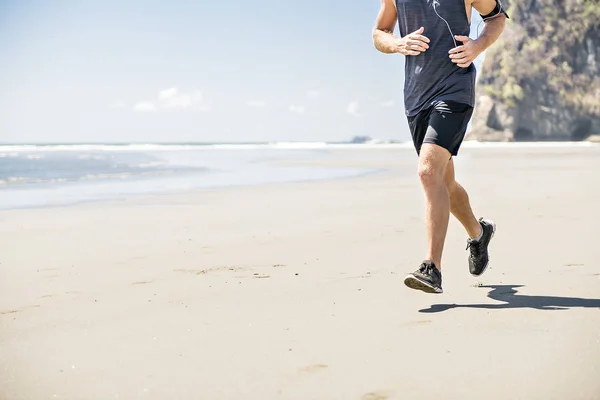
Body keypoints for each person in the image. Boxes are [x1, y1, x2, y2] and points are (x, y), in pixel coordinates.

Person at [372, 0, 508, 293]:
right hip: (416, 97)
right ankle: (479, 232)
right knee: (444, 182)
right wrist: (397, 44)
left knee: (426, 172)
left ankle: (431, 268)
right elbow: (380, 32)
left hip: (454, 91)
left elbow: (497, 18)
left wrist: (477, 46)